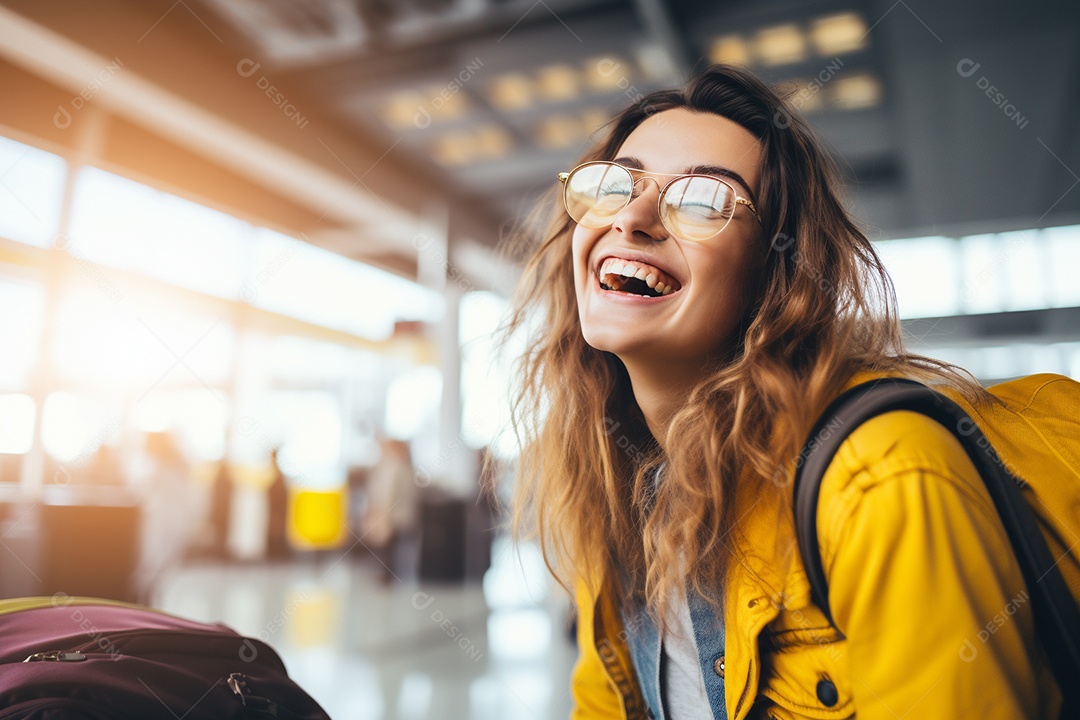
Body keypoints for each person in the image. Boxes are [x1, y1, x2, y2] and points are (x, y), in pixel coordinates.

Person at [502, 65, 1059, 719]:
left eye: (704, 199)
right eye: (615, 186)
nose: (634, 217)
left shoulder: (882, 477)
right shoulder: (619, 491)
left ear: (777, 272)